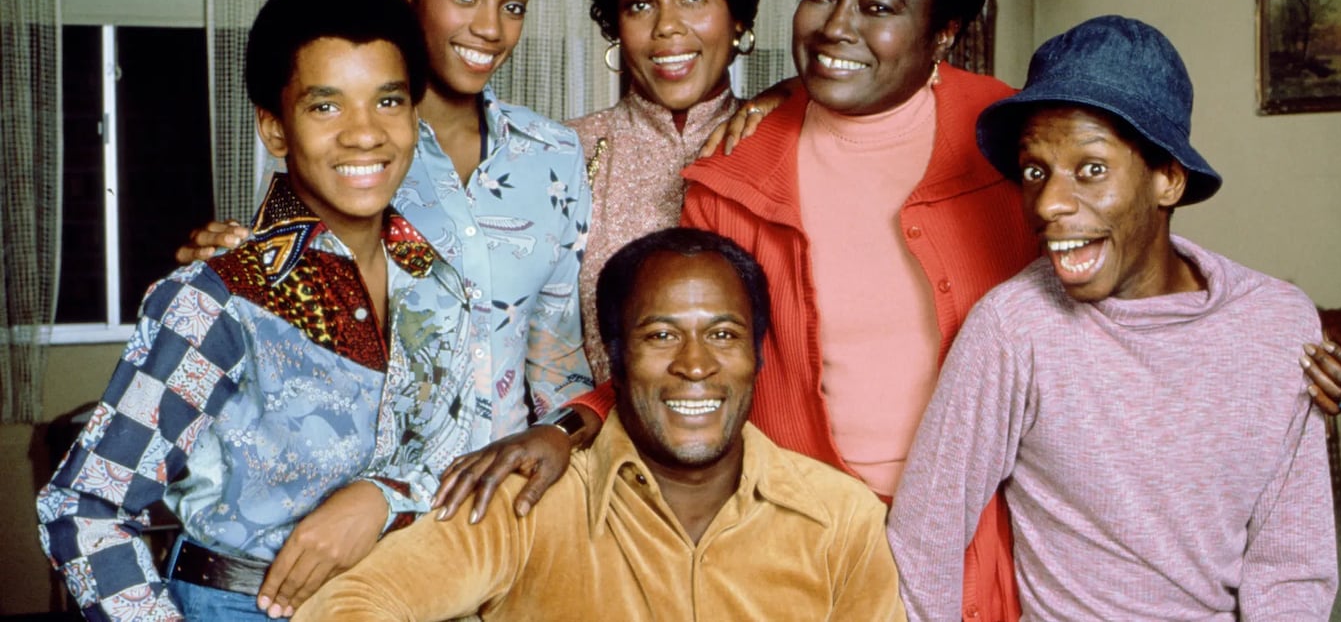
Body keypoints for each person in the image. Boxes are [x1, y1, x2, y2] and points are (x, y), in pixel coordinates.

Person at [432, 0, 1341, 621]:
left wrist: (1296, 354)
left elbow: (1137, 260)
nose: (835, 28)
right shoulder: (730, 167)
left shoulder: (1019, 138)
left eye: (878, 6)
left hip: (987, 552)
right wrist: (574, 423)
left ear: (946, 32)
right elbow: (695, 357)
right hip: (800, 544)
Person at [37, 0, 472, 620]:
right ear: (275, 130)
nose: (364, 133)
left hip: (404, 599)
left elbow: (452, 449)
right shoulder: (221, 295)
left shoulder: (437, 282)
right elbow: (83, 506)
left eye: (388, 101)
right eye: (326, 105)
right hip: (239, 602)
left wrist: (382, 494)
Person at [889, 15, 1338, 620]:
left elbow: (1291, 568)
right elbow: (926, 539)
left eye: (1092, 169)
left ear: (1168, 180)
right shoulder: (1016, 326)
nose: (1047, 203)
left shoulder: (1277, 324)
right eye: (1034, 170)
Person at [179, 0, 595, 458]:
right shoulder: (354, 157)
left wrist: (560, 439)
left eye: (513, 5)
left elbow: (560, 367)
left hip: (512, 513)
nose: (492, 29)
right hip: (368, 519)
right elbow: (285, 354)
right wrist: (223, 261)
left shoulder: (555, 156)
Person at [293, 228, 906, 621]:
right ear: (613, 357)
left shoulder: (841, 521)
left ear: (758, 356)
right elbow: (348, 606)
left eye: (723, 335)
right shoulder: (525, 503)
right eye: (660, 335)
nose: (695, 365)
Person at [568, 0, 763, 381]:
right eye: (640, 3)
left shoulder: (784, 144)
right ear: (615, 23)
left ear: (738, 16)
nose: (666, 27)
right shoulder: (563, 153)